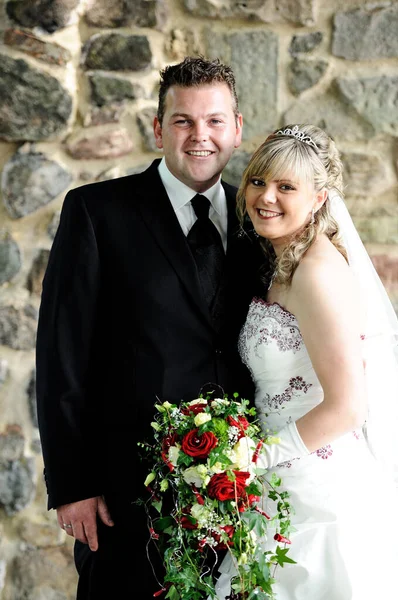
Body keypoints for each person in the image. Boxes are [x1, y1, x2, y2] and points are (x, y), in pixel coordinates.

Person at [35, 56, 264, 600]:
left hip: (239, 500)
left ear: (236, 128)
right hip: (124, 499)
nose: (199, 136)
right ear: (159, 129)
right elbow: (61, 356)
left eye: (213, 121)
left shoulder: (259, 219)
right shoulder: (96, 212)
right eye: (183, 121)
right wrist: (74, 486)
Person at [214, 124, 398, 599]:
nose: (265, 197)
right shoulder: (283, 262)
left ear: (319, 199)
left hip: (316, 491)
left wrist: (257, 458)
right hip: (277, 480)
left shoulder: (317, 273)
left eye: (286, 187)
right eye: (258, 181)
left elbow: (347, 407)